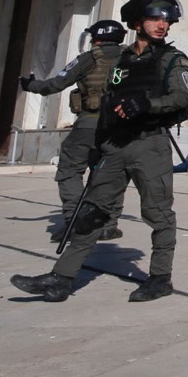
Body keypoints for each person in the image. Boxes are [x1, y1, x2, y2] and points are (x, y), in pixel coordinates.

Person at [11, 0, 188, 303]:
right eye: (154, 19)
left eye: (166, 20)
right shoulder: (121, 61)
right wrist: (99, 144)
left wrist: (145, 104)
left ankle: (160, 277)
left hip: (149, 145)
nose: (162, 25)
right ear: (137, 23)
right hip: (114, 145)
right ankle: (61, 279)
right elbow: (108, 101)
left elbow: (182, 100)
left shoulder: (173, 60)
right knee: (94, 212)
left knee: (158, 214)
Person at [18, 18, 128, 238]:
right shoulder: (132, 58)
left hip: (90, 123)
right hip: (121, 126)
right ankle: (108, 225)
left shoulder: (88, 59)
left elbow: (56, 84)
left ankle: (76, 221)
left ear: (96, 38)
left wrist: (31, 85)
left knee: (69, 170)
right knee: (112, 175)